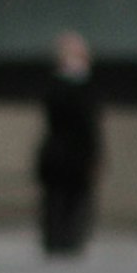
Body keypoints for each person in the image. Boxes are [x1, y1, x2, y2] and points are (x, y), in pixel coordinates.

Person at [34, 28, 103, 260]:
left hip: (66, 149)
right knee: (61, 198)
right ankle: (61, 240)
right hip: (66, 149)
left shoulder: (65, 83)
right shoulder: (67, 85)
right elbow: (84, 121)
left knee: (68, 198)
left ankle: (64, 240)